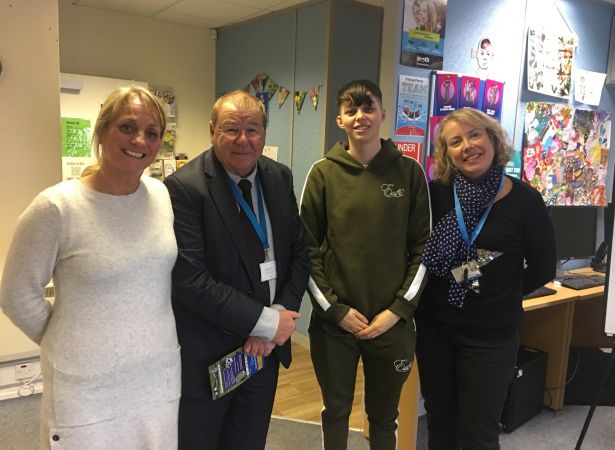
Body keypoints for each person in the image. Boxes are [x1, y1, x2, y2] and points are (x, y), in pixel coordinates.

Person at [0, 86, 181, 449]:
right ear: (101, 131)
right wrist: (67, 340)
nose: (139, 140)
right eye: (127, 127)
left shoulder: (160, 196)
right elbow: (16, 293)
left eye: (152, 132)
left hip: (154, 380)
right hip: (85, 386)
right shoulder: (57, 207)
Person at [164, 90, 309, 450]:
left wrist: (276, 319)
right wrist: (264, 322)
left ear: (264, 133)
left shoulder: (279, 177)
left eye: (253, 129)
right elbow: (191, 280)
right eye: (231, 129)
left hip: (264, 353)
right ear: (212, 131)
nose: (243, 139)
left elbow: (300, 254)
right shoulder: (185, 188)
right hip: (210, 356)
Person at [300, 80, 431, 450]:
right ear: (340, 119)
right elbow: (306, 249)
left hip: (391, 324)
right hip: (336, 325)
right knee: (336, 410)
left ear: (383, 114)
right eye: (352, 110)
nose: (361, 117)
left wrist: (399, 310)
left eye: (368, 108)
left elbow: (424, 249)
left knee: (384, 417)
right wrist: (334, 310)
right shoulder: (323, 173)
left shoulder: (409, 173)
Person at [416, 107, 557, 449]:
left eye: (474, 135)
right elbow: (418, 257)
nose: (467, 146)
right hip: (436, 329)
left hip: (491, 336)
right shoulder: (436, 194)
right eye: (456, 141)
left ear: (492, 139)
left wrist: (501, 293)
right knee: (440, 422)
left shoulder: (526, 200)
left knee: (479, 431)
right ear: (447, 152)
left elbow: (542, 267)